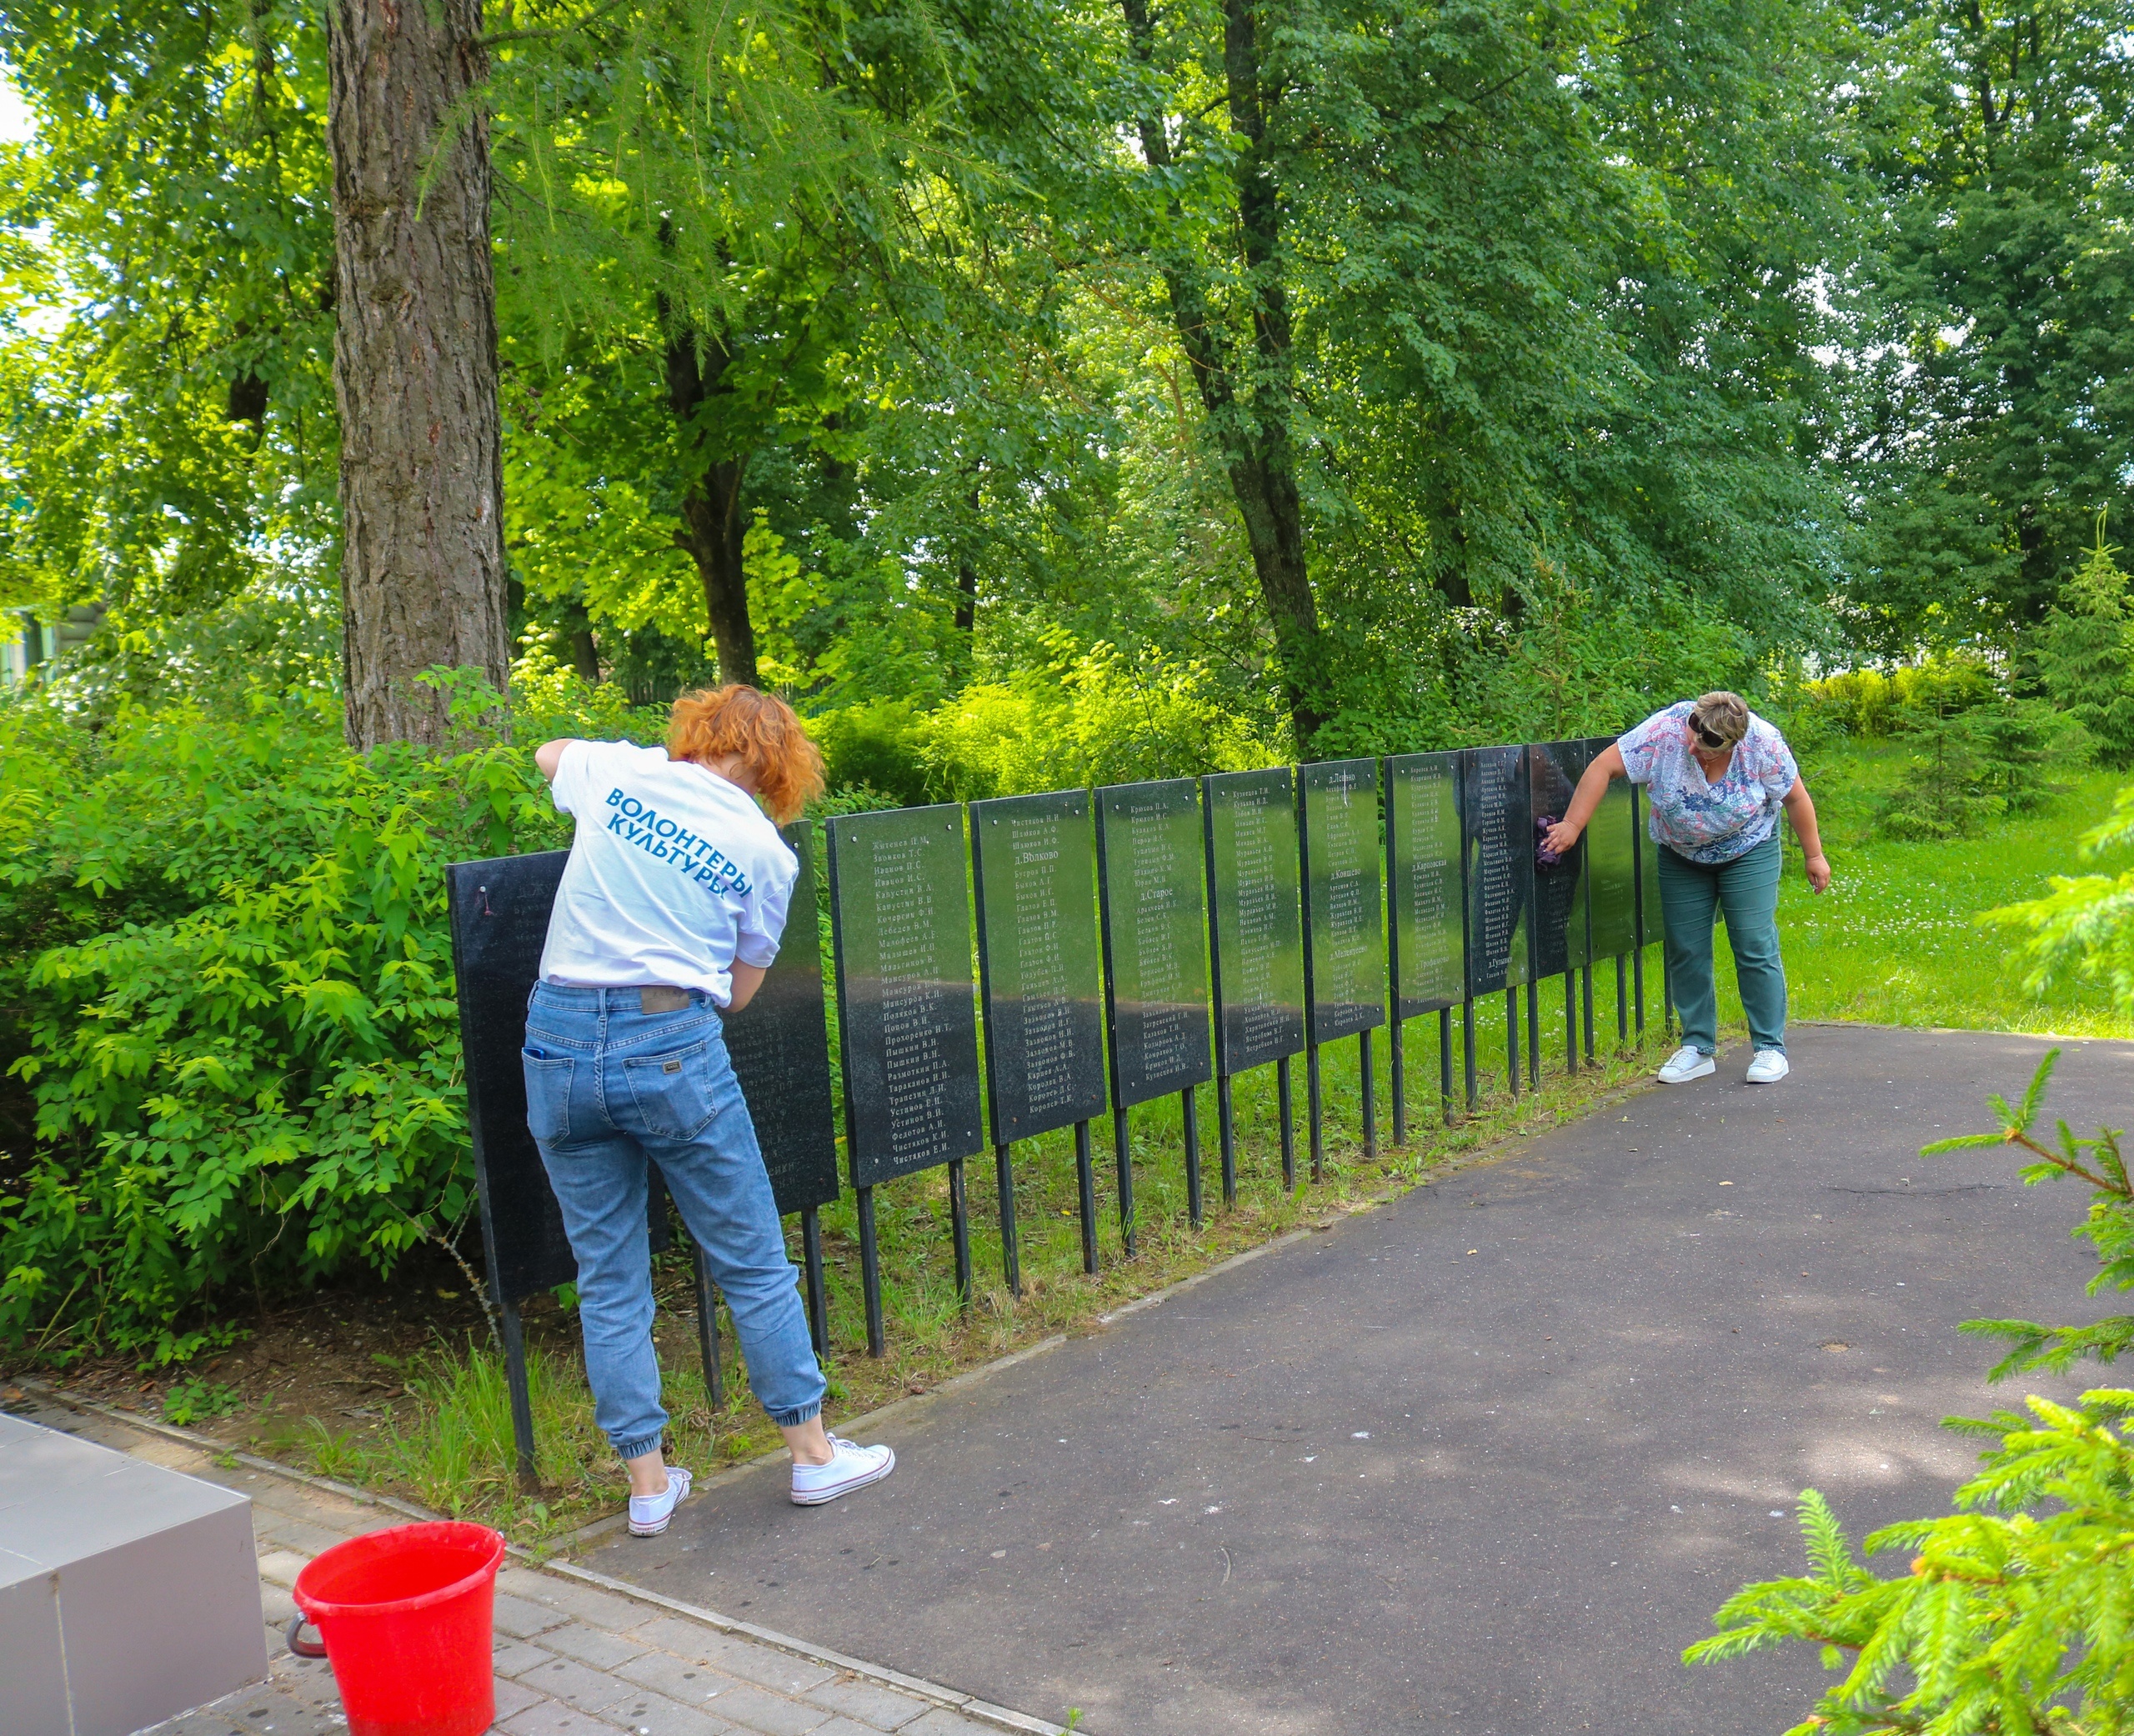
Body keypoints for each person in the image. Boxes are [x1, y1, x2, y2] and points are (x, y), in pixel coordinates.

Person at [522, 685, 894, 1538]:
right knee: (752, 1259)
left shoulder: (620, 776)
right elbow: (737, 988)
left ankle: (648, 1484)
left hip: (559, 1037)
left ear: (695, 732)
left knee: (608, 1276)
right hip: (669, 1038)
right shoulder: (764, 852)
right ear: (779, 763)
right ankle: (811, 1456)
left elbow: (548, 754)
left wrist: (639, 771)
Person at [1541, 691, 1831, 1085]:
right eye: (1692, 736)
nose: (1692, 746)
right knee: (1686, 946)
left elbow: (1795, 798)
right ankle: (1697, 1047)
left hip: (1748, 850)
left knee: (1752, 943)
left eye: (1705, 747)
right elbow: (1602, 768)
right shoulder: (1667, 729)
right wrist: (1572, 826)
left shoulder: (1763, 744)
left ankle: (1769, 1048)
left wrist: (1814, 856)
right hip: (1681, 853)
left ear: (1732, 744)